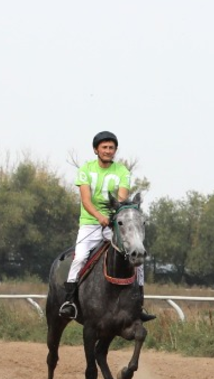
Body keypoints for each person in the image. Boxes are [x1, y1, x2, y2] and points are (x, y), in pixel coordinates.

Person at [59, 131, 154, 321]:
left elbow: (121, 200)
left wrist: (114, 218)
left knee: (137, 256)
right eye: (104, 147)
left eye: (111, 148)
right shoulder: (86, 170)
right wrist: (99, 217)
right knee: (80, 257)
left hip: (114, 225)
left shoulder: (122, 172)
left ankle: (139, 304)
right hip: (90, 224)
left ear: (115, 150)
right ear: (96, 150)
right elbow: (86, 200)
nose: (108, 151)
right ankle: (69, 301)